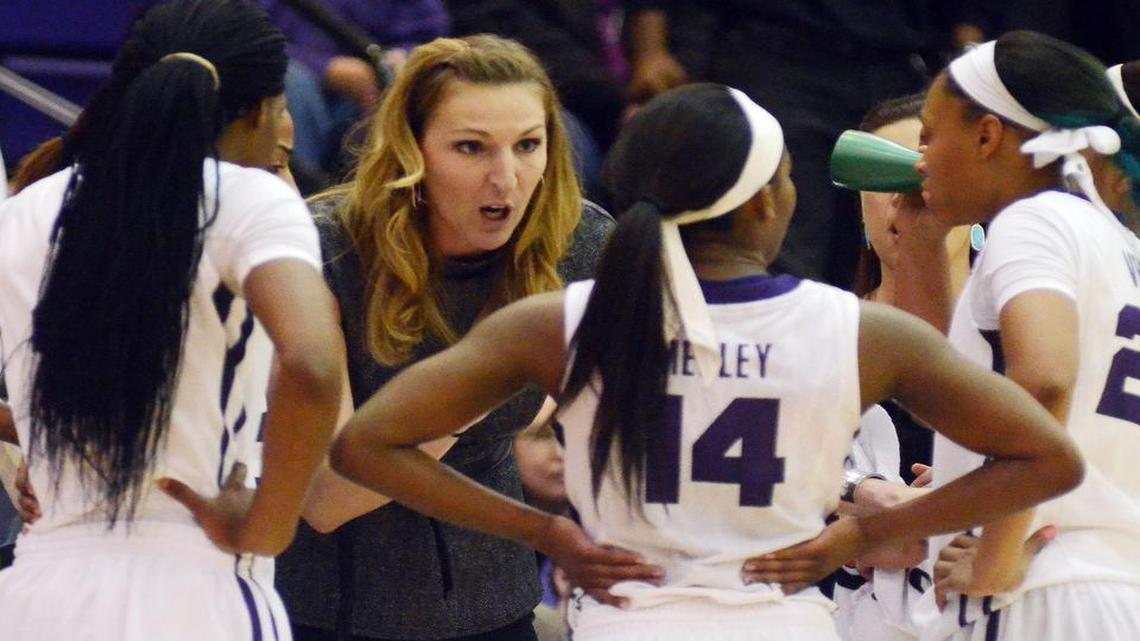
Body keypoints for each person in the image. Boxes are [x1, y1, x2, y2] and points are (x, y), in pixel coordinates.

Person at [325, 83, 1082, 641]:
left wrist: (543, 532)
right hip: (780, 623)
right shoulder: (861, 331)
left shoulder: (563, 321)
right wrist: (856, 536)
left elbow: (364, 445)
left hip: (627, 624)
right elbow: (1049, 458)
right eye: (786, 176)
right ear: (763, 204)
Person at [0, 1, 343, 639]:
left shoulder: (23, 212)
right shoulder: (252, 197)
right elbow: (314, 364)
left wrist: (44, 436)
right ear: (263, 111)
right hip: (197, 587)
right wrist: (267, 527)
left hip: (34, 596)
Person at [273, 34, 631, 641]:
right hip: (334, 608)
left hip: (496, 599)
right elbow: (326, 499)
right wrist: (493, 373)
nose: (506, 177)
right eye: (471, 147)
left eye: (528, 145)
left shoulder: (585, 245)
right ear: (411, 150)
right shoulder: (324, 248)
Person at [851, 31, 1140, 641]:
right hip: (1106, 585)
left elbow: (1043, 381)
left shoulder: (1034, 220)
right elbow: (951, 388)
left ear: (987, 137)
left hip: (1041, 590)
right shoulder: (1115, 243)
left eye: (930, 135)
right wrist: (924, 241)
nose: (921, 161)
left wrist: (997, 554)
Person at [620, 0, 995, 287]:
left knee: (885, 254)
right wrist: (651, 48)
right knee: (781, 245)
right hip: (776, 54)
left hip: (901, 64)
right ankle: (776, 357)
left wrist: (970, 59)